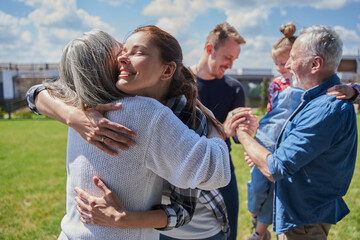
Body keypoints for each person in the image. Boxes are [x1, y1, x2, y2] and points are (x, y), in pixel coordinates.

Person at [29, 28, 237, 240]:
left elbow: (184, 208)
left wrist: (126, 219)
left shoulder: (81, 104)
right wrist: (73, 116)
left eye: (134, 52)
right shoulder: (123, 110)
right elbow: (216, 171)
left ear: (167, 71)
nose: (123, 58)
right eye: (122, 50)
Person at [235, 25, 357, 240]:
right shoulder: (314, 100)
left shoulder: (326, 108)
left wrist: (243, 134)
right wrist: (261, 152)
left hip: (304, 222)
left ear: (315, 64)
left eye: (292, 57)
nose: (288, 65)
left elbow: (276, 167)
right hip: (300, 215)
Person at [189, 22, 246, 240]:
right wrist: (225, 129)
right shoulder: (179, 81)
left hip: (222, 170)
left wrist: (246, 129)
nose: (230, 65)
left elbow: (239, 136)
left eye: (234, 60)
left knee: (228, 232)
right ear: (210, 48)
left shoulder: (235, 88)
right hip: (184, 170)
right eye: (227, 57)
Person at [246, 23, 297, 240]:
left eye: (283, 63)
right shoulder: (277, 84)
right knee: (258, 187)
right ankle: (255, 215)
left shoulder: (305, 86)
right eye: (276, 63)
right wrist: (255, 146)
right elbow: (270, 115)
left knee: (274, 191)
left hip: (285, 146)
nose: (279, 67)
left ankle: (261, 232)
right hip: (267, 142)